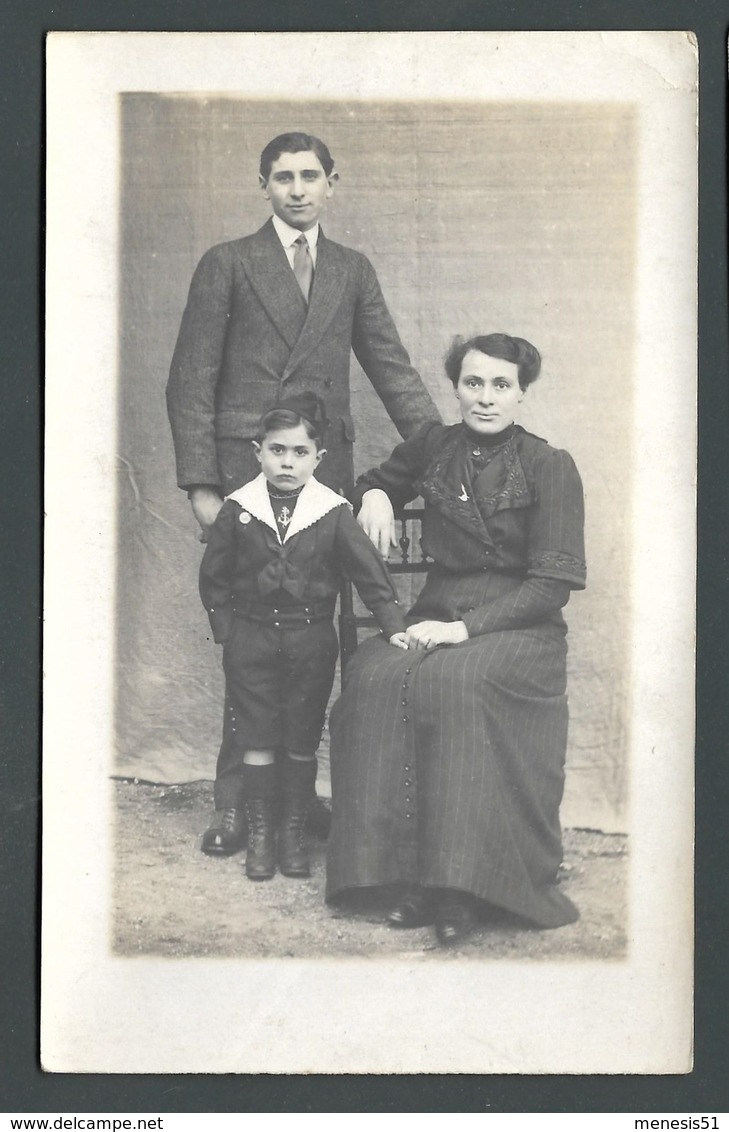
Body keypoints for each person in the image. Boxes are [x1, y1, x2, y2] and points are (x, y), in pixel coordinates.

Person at [166, 131, 440, 852]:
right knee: (253, 643)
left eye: (309, 176)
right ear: (263, 185)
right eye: (282, 176)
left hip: (320, 474)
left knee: (318, 639)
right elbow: (191, 380)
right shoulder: (226, 263)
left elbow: (393, 369)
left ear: (331, 183)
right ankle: (237, 805)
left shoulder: (350, 269)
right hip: (245, 475)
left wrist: (445, 450)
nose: (296, 189)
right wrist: (201, 485)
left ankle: (297, 800)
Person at [326, 333, 586, 946]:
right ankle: (406, 874)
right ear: (457, 387)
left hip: (520, 630)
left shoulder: (550, 466)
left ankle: (464, 887)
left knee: (456, 680)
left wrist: (465, 628)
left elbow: (552, 584)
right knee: (376, 676)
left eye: (501, 385)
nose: (486, 397)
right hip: (438, 610)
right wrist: (380, 496)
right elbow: (374, 479)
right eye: (474, 383)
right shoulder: (433, 445)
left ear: (523, 392)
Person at [198, 394, 407, 881]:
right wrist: (227, 632)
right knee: (255, 732)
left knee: (300, 733)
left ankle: (292, 833)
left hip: (311, 639)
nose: (287, 462)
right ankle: (262, 834)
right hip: (250, 638)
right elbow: (215, 576)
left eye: (298, 452)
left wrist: (393, 625)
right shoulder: (239, 509)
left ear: (319, 458)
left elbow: (368, 574)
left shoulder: (331, 512)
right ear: (258, 453)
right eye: (276, 450)